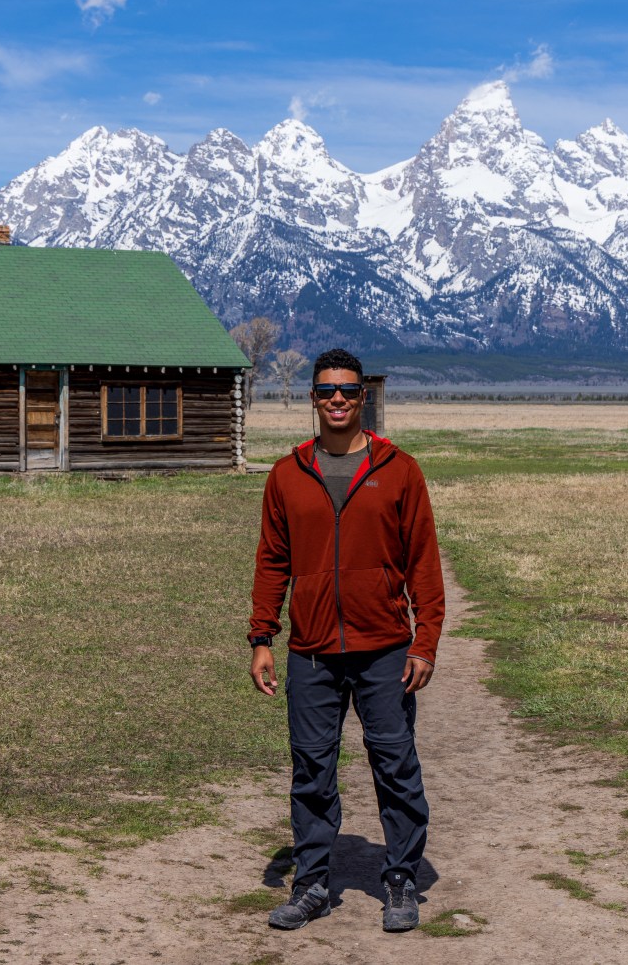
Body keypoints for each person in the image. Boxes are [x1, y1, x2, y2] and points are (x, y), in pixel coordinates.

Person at [248, 348, 445, 933]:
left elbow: (424, 567)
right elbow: (271, 562)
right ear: (312, 397)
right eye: (327, 390)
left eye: (348, 391)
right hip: (310, 650)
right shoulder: (287, 475)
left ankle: (401, 878)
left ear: (364, 398)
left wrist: (424, 643)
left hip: (385, 647)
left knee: (394, 763)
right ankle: (311, 884)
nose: (338, 399)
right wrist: (262, 637)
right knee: (311, 768)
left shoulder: (400, 470)